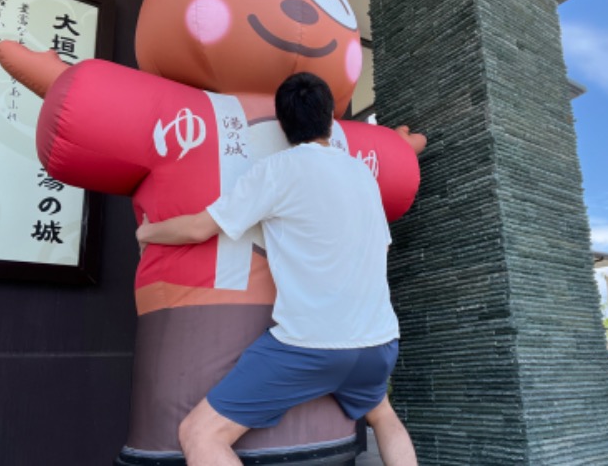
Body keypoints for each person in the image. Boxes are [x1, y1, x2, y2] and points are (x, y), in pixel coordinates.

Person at [136, 72, 418, 466]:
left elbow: (200, 227)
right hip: (379, 342)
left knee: (199, 434)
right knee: (384, 415)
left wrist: (148, 230)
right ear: (331, 121)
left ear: (283, 126)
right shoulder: (362, 176)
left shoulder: (277, 170)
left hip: (311, 347)